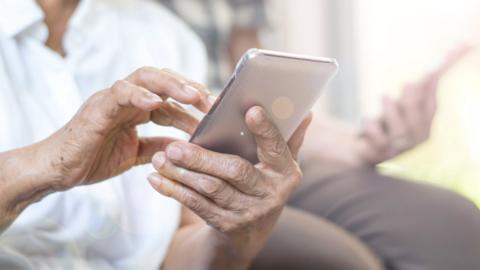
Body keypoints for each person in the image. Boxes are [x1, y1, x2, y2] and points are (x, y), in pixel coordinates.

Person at [1, 1, 479, 270]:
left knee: (438, 226)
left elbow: (181, 253)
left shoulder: (160, 36)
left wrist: (240, 232)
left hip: (211, 161)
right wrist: (45, 167)